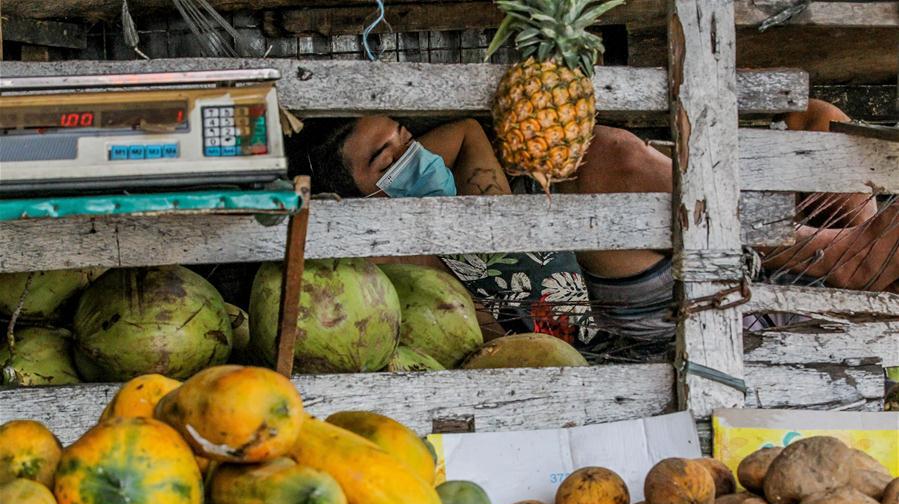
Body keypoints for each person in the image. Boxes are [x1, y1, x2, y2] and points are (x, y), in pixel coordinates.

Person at [294, 100, 898, 358]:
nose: (412, 154)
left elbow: (472, 131)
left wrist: (406, 162)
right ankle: (836, 259)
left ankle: (840, 263)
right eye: (387, 159)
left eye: (406, 136)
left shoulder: (468, 188)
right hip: (609, 320)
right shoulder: (401, 264)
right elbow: (481, 340)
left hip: (645, 259)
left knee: (814, 118)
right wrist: (382, 208)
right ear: (360, 198)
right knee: (609, 154)